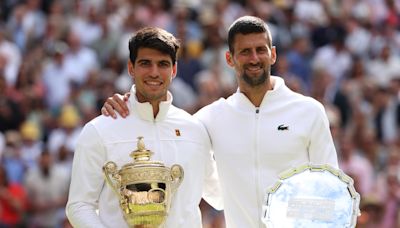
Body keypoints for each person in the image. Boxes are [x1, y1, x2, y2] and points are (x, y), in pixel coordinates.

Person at [102, 16, 338, 228]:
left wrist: (286, 211)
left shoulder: (310, 111)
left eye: (260, 50)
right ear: (230, 58)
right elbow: (160, 123)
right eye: (245, 52)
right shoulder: (209, 119)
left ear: (273, 54)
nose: (254, 58)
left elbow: (332, 193)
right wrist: (129, 104)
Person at [66, 27, 222, 228]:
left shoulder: (195, 130)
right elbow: (79, 206)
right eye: (145, 63)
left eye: (163, 64)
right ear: (131, 68)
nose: (154, 72)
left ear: (174, 70)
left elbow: (218, 195)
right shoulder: (99, 130)